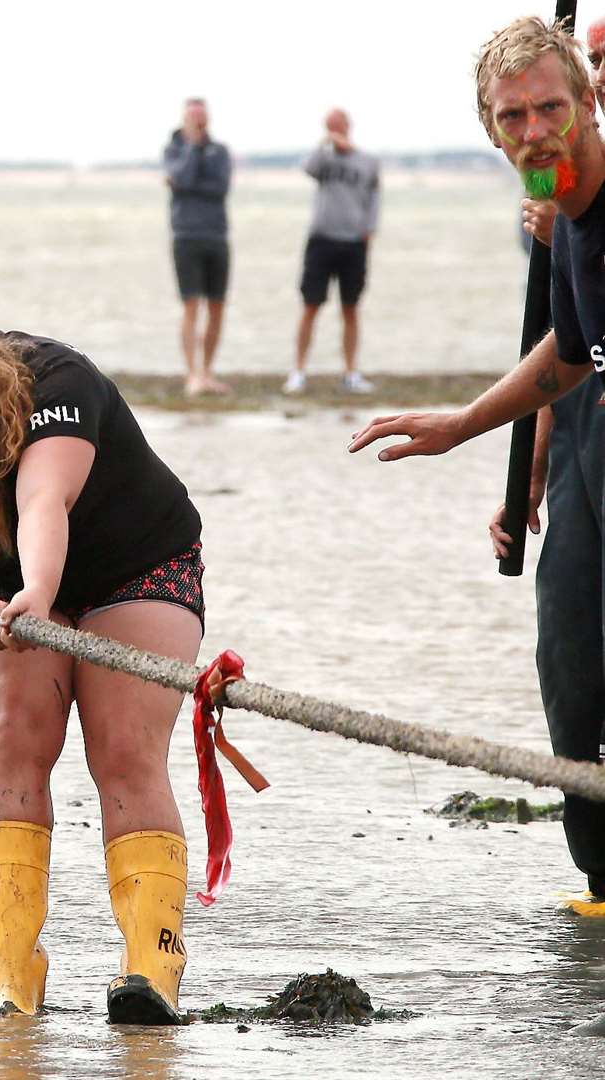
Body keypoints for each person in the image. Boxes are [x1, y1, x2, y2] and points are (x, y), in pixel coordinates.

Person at [0, 330, 205, 1021]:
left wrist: (42, 590)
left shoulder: (58, 385)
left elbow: (40, 503)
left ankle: (152, 968)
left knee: (124, 750)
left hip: (138, 560)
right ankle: (13, 973)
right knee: (11, 739)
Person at [473, 15, 605, 916]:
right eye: (512, 116)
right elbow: (570, 353)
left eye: (551, 106)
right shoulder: (557, 209)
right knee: (567, 662)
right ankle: (601, 877)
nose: (534, 130)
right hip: (584, 446)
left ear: (586, 99)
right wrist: (513, 463)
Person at [287, 109, 381, 395]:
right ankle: (298, 371)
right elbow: (307, 168)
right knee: (310, 306)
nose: (334, 131)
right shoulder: (323, 159)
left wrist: (369, 231)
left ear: (348, 126)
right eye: (329, 127)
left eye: (337, 126)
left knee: (350, 308)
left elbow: (374, 198)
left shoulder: (366, 161)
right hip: (321, 240)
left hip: (353, 243)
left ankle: (351, 372)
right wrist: (324, 142)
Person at [163, 98, 233, 397]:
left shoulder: (219, 151)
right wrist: (191, 145)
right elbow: (180, 177)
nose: (199, 122)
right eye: (194, 118)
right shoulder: (174, 149)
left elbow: (220, 187)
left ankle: (207, 372)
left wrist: (187, 184)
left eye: (202, 118)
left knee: (216, 307)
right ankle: (192, 374)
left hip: (216, 235)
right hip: (186, 236)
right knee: (191, 306)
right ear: (185, 119)